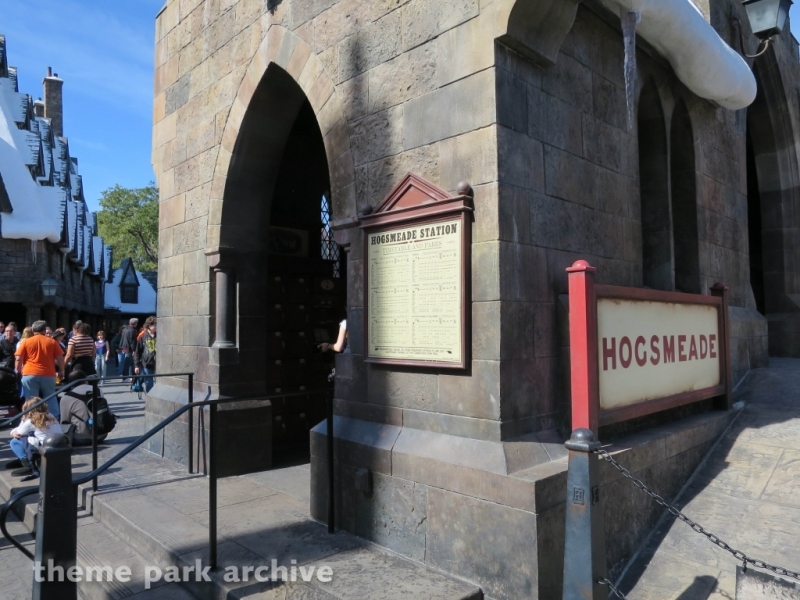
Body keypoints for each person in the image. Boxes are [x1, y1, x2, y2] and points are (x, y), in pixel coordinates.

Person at [15, 320, 65, 419]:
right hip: (48, 374)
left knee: (31, 400)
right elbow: (60, 357)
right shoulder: (52, 342)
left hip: (29, 373)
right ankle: (54, 421)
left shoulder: (26, 342)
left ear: (33, 330)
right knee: (50, 397)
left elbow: (18, 358)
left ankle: (32, 421)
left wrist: (18, 371)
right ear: (44, 330)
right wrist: (61, 370)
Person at [8, 397, 61, 478]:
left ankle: (28, 465)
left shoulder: (30, 421)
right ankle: (22, 459)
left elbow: (19, 433)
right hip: (58, 444)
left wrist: (23, 419)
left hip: (44, 446)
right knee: (30, 435)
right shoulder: (50, 415)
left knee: (15, 442)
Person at [60, 369, 103, 446]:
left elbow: (64, 420)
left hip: (81, 438)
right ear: (85, 379)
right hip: (102, 434)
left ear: (71, 384)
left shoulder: (66, 397)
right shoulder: (98, 390)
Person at [134, 316, 156, 392]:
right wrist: (136, 365)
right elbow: (138, 352)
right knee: (149, 384)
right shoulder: (142, 336)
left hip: (158, 364)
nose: (156, 327)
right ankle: (150, 401)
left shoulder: (160, 335)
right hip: (147, 364)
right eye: (154, 325)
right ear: (149, 325)